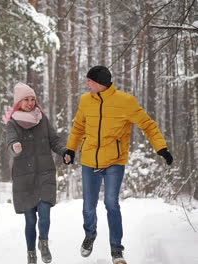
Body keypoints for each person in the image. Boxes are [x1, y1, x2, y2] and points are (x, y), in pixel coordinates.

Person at [63, 65, 174, 264]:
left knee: (111, 204)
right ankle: (90, 235)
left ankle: (116, 249)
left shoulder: (126, 102)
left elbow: (147, 124)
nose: (87, 84)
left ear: (99, 83)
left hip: (114, 161)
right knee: (88, 206)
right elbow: (79, 126)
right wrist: (70, 149)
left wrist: (161, 148)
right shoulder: (86, 101)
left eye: (90, 81)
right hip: (89, 160)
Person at [4, 82, 66, 264]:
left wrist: (64, 152)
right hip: (24, 177)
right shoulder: (12, 123)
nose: (30, 103)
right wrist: (15, 147)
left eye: (33, 99)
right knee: (30, 219)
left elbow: (54, 141)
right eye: (26, 100)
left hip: (45, 172)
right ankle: (31, 254)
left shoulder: (42, 120)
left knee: (45, 212)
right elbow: (10, 142)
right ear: (19, 102)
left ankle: (43, 243)